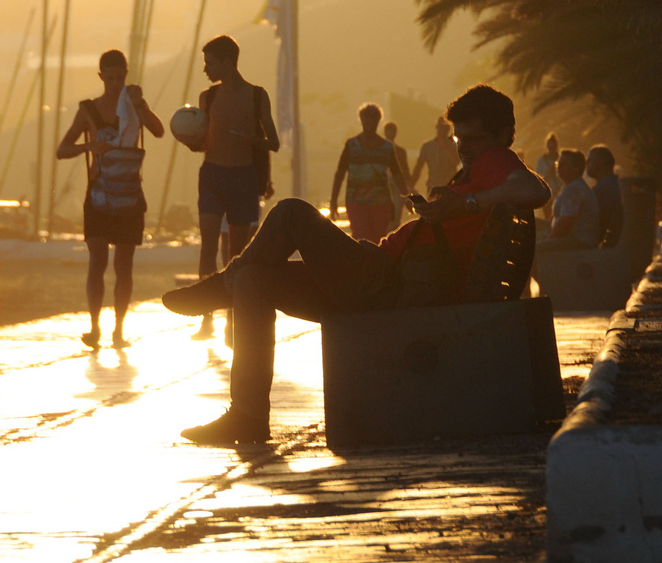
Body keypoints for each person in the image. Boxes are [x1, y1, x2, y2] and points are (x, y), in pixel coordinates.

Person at [161, 84, 550, 446]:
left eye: (474, 139)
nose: (464, 148)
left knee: (292, 213)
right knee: (253, 280)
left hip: (386, 283)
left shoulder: (497, 161)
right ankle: (247, 415)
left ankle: (218, 288)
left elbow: (536, 190)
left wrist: (465, 204)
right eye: (459, 138)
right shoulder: (483, 165)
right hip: (384, 277)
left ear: (503, 135)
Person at [56, 49, 165, 349]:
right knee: (97, 261)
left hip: (130, 196)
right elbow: (62, 150)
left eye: (121, 77)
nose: (116, 83)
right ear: (101, 77)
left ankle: (118, 329)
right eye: (111, 77)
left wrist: (141, 104)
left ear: (126, 75)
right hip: (98, 196)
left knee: (124, 265)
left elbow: (158, 131)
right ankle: (94, 328)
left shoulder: (133, 107)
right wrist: (91, 145)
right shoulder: (88, 111)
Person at [174, 35, 278, 339]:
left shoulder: (257, 96)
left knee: (236, 253)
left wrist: (252, 140)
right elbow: (203, 143)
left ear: (227, 62)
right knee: (207, 247)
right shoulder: (208, 98)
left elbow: (274, 142)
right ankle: (205, 317)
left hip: (243, 177)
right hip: (212, 176)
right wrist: (190, 139)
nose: (206, 69)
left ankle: (233, 317)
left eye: (210, 63)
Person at [330, 104, 407, 243]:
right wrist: (333, 200)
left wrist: (407, 197)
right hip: (356, 202)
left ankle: (376, 265)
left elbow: (397, 174)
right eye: (366, 122)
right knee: (361, 239)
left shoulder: (387, 147)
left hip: (381, 203)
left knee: (379, 240)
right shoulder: (351, 145)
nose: (370, 126)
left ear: (378, 122)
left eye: (373, 122)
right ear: (361, 121)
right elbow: (339, 174)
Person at [537, 149, 600, 252]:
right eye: (558, 164)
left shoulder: (575, 189)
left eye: (564, 164)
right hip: (570, 238)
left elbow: (565, 223)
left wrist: (547, 241)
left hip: (579, 241)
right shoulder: (568, 186)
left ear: (576, 168)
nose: (559, 167)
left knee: (534, 250)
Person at [586, 144, 623, 249]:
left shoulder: (603, 189)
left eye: (589, 160)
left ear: (600, 163)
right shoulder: (615, 184)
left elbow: (597, 226)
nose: (586, 164)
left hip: (611, 247)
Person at [411, 115, 459, 195]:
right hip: (433, 187)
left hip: (449, 187)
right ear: (437, 127)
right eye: (441, 127)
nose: (443, 130)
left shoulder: (454, 146)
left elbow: (457, 163)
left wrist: (446, 147)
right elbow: (418, 167)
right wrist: (411, 185)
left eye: (445, 128)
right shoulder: (427, 146)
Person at [383, 121, 410, 232]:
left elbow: (405, 170)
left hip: (397, 185)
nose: (390, 133)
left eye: (392, 130)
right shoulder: (379, 150)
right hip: (383, 185)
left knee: (396, 214)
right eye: (388, 130)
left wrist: (408, 188)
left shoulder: (401, 151)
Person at [534, 132, 561, 222]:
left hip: (559, 192)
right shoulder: (542, 161)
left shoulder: (561, 159)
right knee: (548, 217)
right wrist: (548, 173)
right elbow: (538, 178)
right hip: (548, 193)